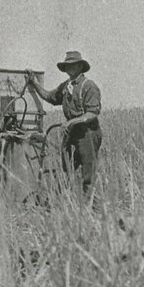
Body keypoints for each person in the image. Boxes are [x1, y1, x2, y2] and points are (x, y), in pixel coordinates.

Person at [27, 51, 103, 196]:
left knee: (88, 170)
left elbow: (92, 113)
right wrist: (34, 83)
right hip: (72, 132)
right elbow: (49, 96)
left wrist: (73, 121)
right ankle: (67, 198)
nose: (71, 68)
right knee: (66, 166)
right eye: (68, 66)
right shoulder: (65, 86)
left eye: (74, 65)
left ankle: (89, 204)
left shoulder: (89, 86)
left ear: (81, 66)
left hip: (88, 132)